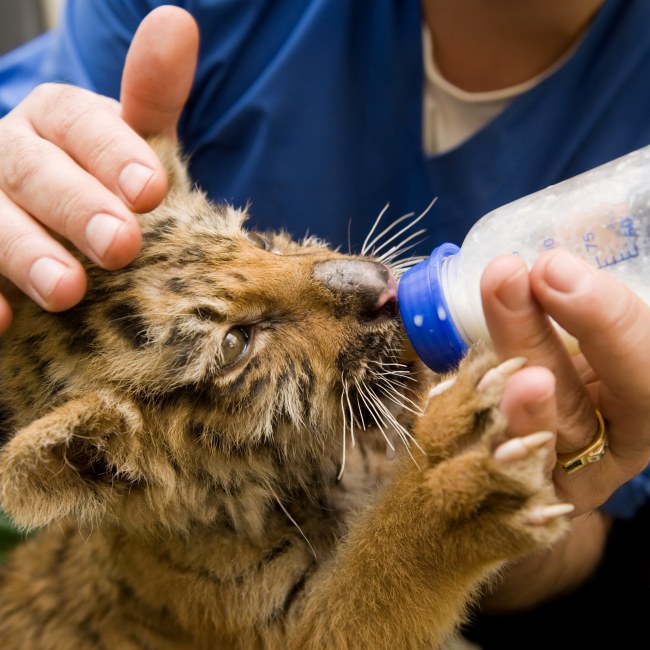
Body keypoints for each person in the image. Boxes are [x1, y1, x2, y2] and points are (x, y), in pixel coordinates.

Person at [1, 0, 650, 646]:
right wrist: (438, 522)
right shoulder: (179, 548)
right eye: (236, 344)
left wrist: (497, 490)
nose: (350, 278)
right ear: (102, 467)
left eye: (254, 240)